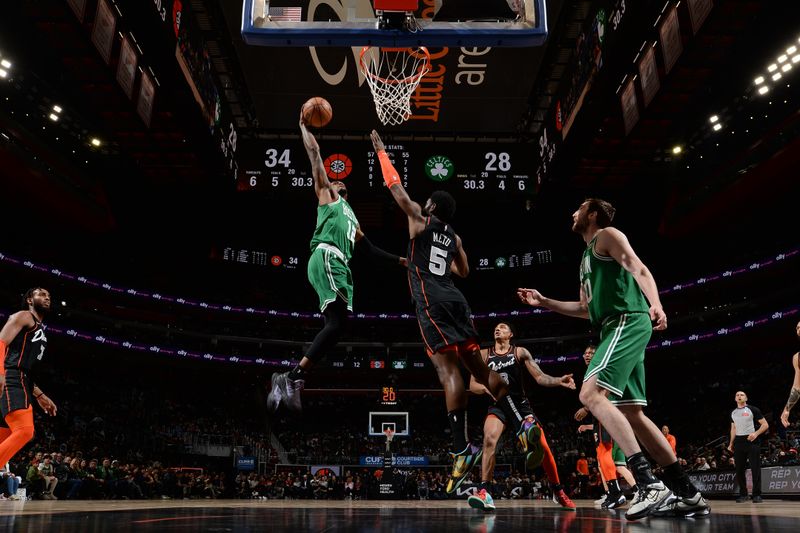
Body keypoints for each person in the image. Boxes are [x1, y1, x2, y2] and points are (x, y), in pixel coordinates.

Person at [516, 198, 708, 520]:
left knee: (590, 394)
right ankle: (688, 493)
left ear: (592, 214)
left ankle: (648, 484)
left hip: (627, 320)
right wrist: (544, 301)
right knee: (633, 413)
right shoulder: (585, 258)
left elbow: (638, 267)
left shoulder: (607, 235)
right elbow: (584, 308)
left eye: (578, 208)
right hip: (611, 325)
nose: (572, 213)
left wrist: (656, 303)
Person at [370, 129, 510, 495]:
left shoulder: (419, 218)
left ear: (431, 206)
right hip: (458, 300)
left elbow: (395, 188)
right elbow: (465, 272)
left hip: (432, 303)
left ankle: (461, 448)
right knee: (480, 369)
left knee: (449, 372)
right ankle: (522, 416)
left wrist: (383, 154)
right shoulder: (455, 237)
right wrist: (439, 264)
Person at [267, 115, 405, 414]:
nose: (336, 181)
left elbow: (371, 251)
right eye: (334, 179)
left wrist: (403, 261)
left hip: (338, 265)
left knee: (338, 325)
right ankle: (290, 378)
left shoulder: (353, 218)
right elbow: (315, 156)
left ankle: (291, 377)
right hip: (327, 257)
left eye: (340, 182)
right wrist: (303, 127)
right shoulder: (327, 196)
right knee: (337, 323)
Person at [466, 322, 576, 512]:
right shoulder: (484, 354)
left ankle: (558, 491)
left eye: (502, 327)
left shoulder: (520, 352)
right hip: (498, 406)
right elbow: (473, 385)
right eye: (496, 328)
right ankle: (485, 492)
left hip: (520, 405)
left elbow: (540, 377)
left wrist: (559, 380)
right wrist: (486, 388)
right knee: (489, 439)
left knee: (543, 447)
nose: (497, 329)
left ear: (510, 334)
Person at [0, 288, 58, 474]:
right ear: (29, 300)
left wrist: (40, 395)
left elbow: (25, 368)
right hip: (11, 378)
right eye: (41, 294)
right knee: (25, 430)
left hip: (21, 379)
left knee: (6, 435)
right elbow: (0, 342)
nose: (46, 297)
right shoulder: (25, 316)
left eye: (48, 295)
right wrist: (0, 373)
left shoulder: (40, 330)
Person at [575, 345, 637, 509]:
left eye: (591, 353)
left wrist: (586, 408)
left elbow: (608, 388)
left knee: (606, 453)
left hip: (607, 412)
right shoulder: (591, 370)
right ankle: (612, 493)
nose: (588, 355)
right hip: (600, 416)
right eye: (586, 352)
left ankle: (620, 492)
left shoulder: (601, 366)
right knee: (602, 455)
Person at [728, 391, 768, 503]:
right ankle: (743, 494)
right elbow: (733, 429)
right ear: (735, 399)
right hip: (739, 442)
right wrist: (731, 443)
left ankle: (757, 495)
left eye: (741, 395)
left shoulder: (753, 409)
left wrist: (755, 434)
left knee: (755, 468)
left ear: (746, 398)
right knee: (739, 469)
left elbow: (765, 425)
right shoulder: (733, 412)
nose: (739, 396)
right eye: (737, 395)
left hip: (752, 441)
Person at [780, 320, 800, 427]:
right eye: (797, 327)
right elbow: (797, 388)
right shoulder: (797, 358)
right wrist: (786, 409)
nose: (798, 329)